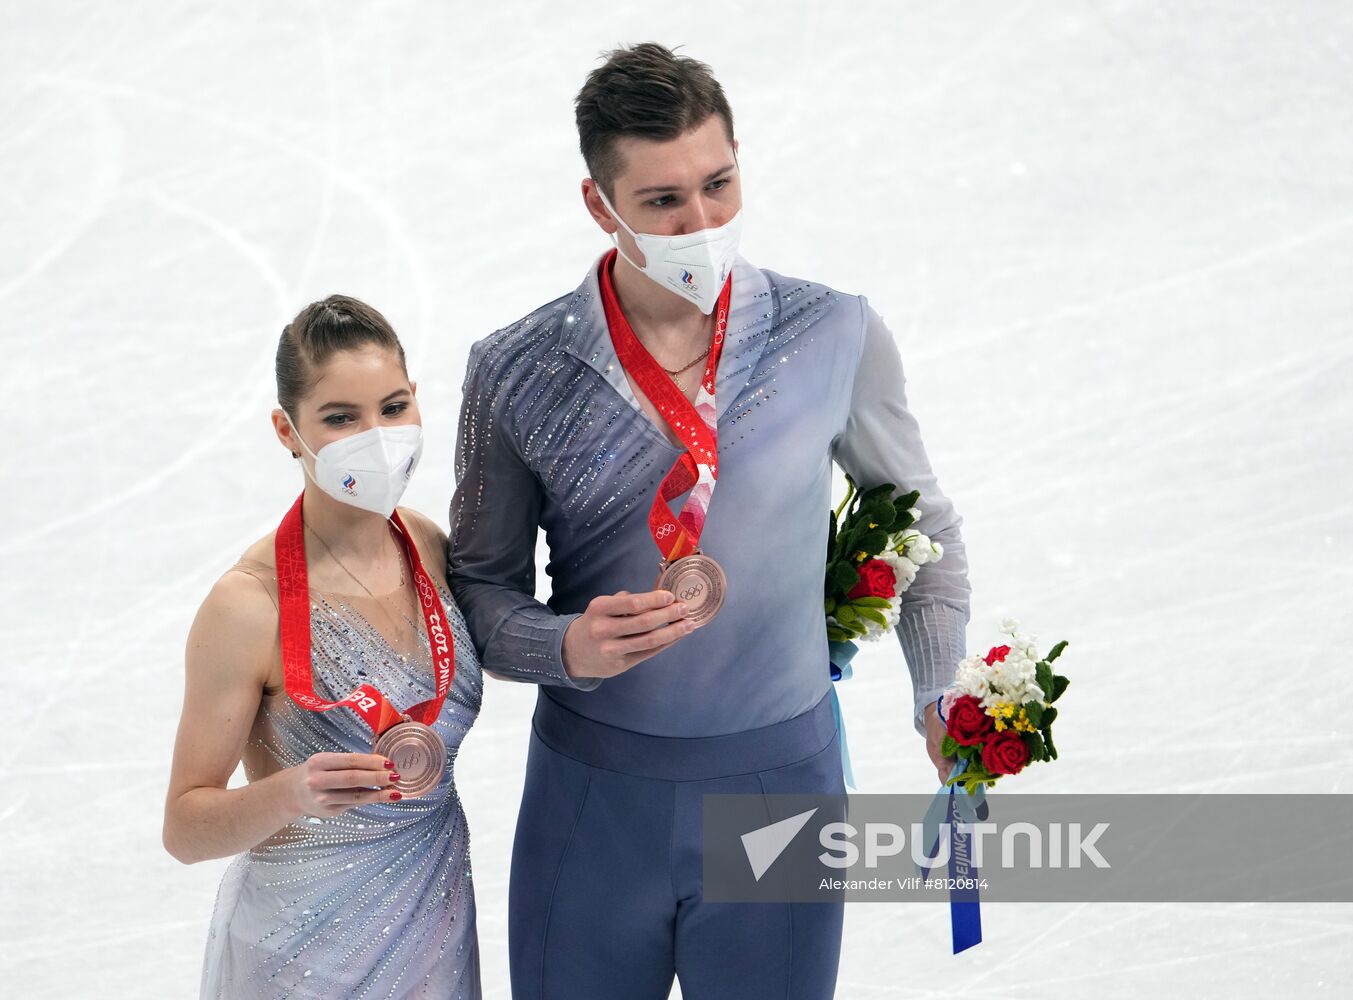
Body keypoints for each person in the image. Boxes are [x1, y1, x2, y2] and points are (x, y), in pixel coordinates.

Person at [449, 43, 970, 999]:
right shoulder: (514, 371)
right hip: (592, 798)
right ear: (598, 206)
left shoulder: (833, 332)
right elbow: (476, 592)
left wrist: (936, 695)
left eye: (719, 184)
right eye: (662, 203)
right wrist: (563, 646)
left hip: (780, 795)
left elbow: (922, 528)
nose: (702, 222)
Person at [163, 295, 483, 998]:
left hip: (434, 921)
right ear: (287, 429)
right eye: (341, 418)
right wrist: (289, 792)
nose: (376, 435)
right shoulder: (247, 606)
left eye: (393, 408)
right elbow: (185, 829)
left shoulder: (427, 546)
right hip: (302, 952)